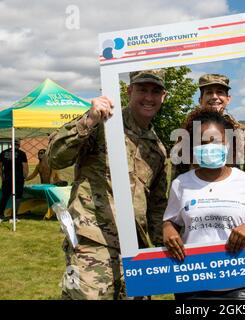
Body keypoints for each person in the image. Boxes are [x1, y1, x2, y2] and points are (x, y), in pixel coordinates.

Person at [47, 69, 169, 300]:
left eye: (156, 91)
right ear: (129, 90)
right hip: (93, 242)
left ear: (164, 96)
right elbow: (55, 157)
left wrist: (162, 249)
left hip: (135, 248)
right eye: (142, 89)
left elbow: (156, 205)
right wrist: (90, 119)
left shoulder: (157, 149)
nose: (149, 97)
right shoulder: (103, 124)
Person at [163, 107, 245, 300]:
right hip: (192, 283)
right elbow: (170, 221)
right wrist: (168, 229)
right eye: (202, 142)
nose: (209, 146)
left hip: (241, 285)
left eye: (216, 141)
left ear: (229, 144)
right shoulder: (181, 183)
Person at [172, 74, 245, 214]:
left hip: (234, 209)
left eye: (220, 92)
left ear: (228, 99)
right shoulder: (187, 133)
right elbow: (177, 178)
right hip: (197, 209)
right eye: (209, 92)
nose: (214, 97)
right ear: (200, 99)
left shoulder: (242, 134)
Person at [0, 139, 28, 223]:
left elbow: (0, 166)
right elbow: (25, 167)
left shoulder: (3, 153)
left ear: (11, 144)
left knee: (4, 197)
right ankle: (13, 217)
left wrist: (2, 177)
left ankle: (0, 216)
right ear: (19, 145)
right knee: (17, 197)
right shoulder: (22, 153)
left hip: (7, 179)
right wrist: (24, 177)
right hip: (18, 179)